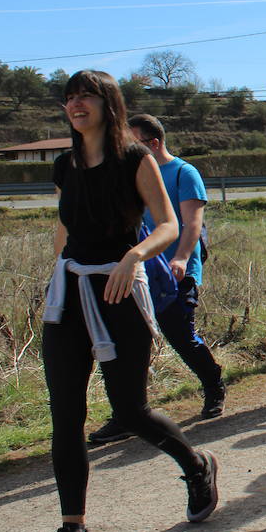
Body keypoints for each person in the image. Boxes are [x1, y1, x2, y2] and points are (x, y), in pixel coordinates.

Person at [24, 70, 217, 532]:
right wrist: (56, 276)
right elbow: (64, 229)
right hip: (69, 295)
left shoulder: (136, 159)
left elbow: (171, 223)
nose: (75, 104)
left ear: (109, 104)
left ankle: (197, 467)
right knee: (65, 415)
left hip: (119, 291)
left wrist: (135, 256)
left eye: (85, 95)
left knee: (129, 410)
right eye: (69, 97)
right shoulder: (65, 165)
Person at [89, 114, 225, 445]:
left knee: (180, 336)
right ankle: (126, 415)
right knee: (125, 346)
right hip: (136, 274)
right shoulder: (129, 176)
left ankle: (212, 383)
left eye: (132, 143)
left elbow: (192, 223)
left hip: (176, 271)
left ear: (153, 143)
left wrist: (179, 257)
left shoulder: (183, 173)